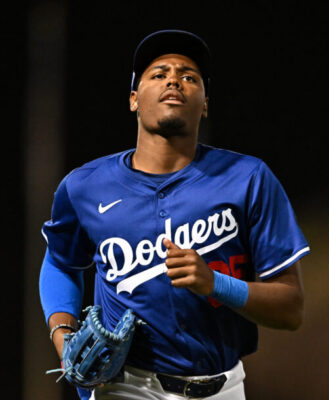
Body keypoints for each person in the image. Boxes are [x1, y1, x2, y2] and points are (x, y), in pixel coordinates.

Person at [39, 29, 310, 400]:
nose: (174, 80)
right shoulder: (85, 186)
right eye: (159, 73)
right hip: (127, 385)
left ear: (205, 103)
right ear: (134, 99)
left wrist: (216, 283)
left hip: (224, 386)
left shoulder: (248, 179)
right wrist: (62, 335)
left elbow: (291, 308)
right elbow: (60, 263)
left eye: (189, 76)